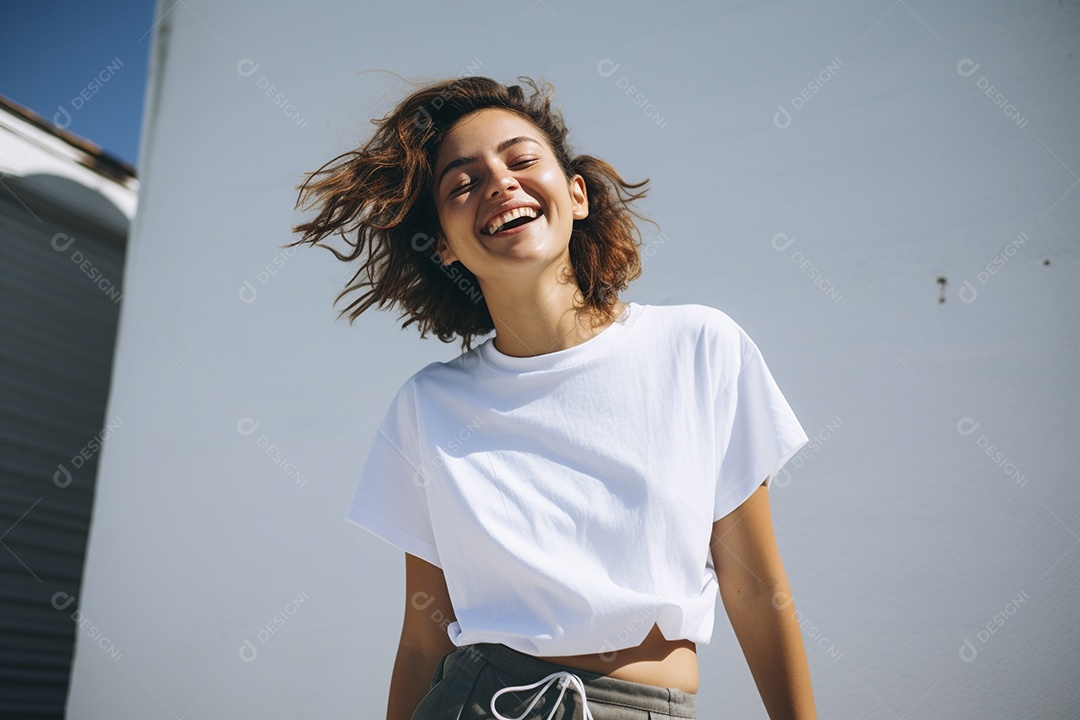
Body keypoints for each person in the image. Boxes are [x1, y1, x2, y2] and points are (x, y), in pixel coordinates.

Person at [289, 75, 818, 720]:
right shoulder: (427, 406)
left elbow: (755, 588)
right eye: (463, 182)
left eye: (521, 159)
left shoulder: (699, 347)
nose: (498, 183)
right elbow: (424, 636)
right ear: (447, 247)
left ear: (577, 195)